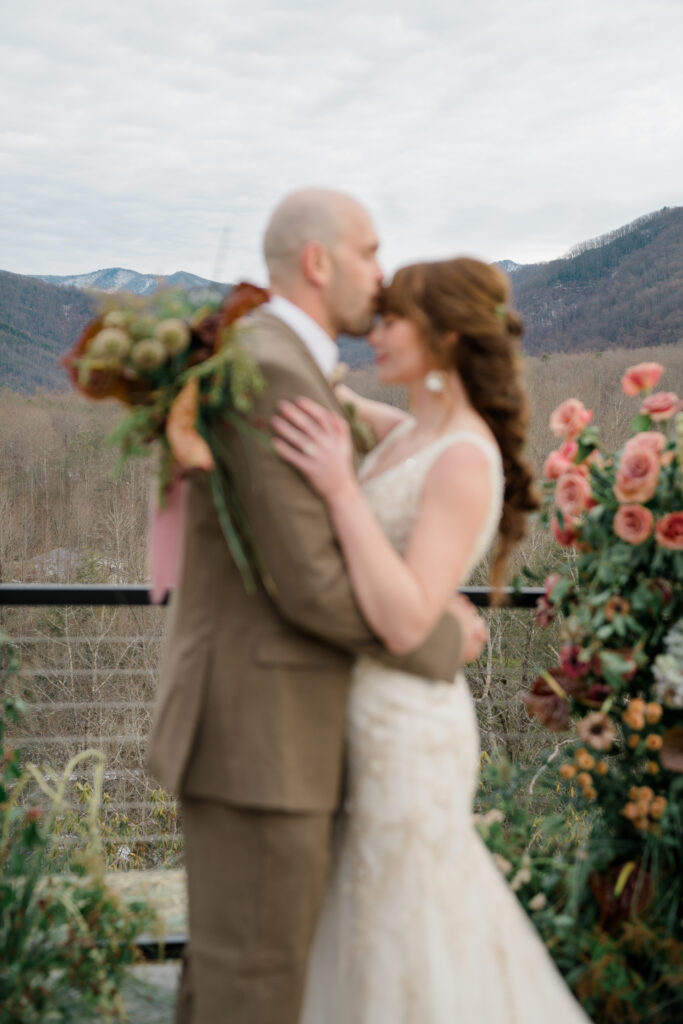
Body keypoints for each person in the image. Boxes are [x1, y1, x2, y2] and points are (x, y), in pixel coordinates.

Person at [146, 190, 483, 1024]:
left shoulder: (282, 360)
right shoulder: (268, 364)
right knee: (254, 990)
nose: (380, 271)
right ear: (318, 261)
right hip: (259, 738)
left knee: (231, 981)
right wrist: (443, 636)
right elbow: (309, 582)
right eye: (370, 252)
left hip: (274, 733)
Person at [272, 257, 592, 1023]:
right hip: (356, 716)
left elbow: (409, 620)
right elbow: (342, 406)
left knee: (401, 936)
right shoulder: (412, 433)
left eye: (391, 321)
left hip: (404, 730)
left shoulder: (460, 459)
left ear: (444, 337)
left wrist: (342, 490)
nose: (373, 333)